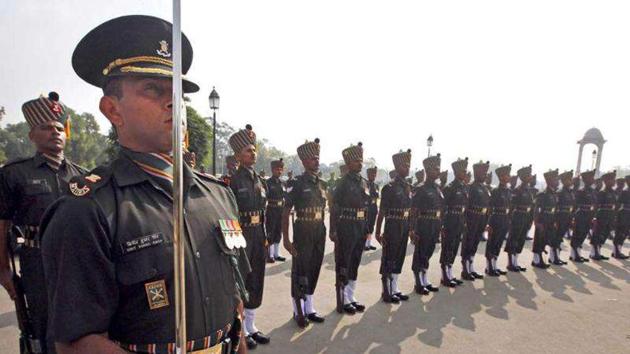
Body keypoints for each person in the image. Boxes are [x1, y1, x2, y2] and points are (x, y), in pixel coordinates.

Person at [39, 15, 247, 354]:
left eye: (177, 93)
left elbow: (234, 297)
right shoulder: (87, 210)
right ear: (112, 110)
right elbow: (77, 341)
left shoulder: (218, 195)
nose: (172, 102)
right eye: (153, 89)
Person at [0, 91, 86, 354]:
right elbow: (1, 226)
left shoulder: (81, 175)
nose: (55, 132)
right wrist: (3, 270)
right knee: (44, 326)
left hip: (78, 261)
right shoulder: (15, 173)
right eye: (46, 127)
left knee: (81, 323)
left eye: (59, 128)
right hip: (37, 261)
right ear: (31, 136)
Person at [229, 124, 271, 349]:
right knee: (242, 280)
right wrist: (233, 243)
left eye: (254, 149)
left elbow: (262, 212)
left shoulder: (258, 180)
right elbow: (228, 214)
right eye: (248, 150)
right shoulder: (233, 181)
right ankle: (242, 329)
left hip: (257, 234)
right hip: (241, 236)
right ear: (238, 155)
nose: (253, 153)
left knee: (256, 278)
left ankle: (252, 326)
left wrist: (265, 236)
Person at [282, 138, 327, 327]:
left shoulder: (322, 183)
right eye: (312, 159)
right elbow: (285, 211)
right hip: (303, 230)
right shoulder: (297, 183)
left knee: (314, 268)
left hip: (319, 230)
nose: (316, 161)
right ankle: (297, 309)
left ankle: (309, 306)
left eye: (318, 158)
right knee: (300, 269)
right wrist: (286, 239)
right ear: (304, 162)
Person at [329, 142, 369, 314]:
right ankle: (343, 298)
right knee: (344, 262)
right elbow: (333, 206)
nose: (359, 163)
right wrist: (333, 229)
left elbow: (366, 206)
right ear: (348, 163)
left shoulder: (364, 182)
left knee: (355, 261)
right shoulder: (342, 182)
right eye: (356, 161)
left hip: (360, 225)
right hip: (346, 224)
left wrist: (367, 228)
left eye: (361, 160)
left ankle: (351, 296)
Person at [374, 150, 412, 303]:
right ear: (397, 167)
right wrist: (377, 231)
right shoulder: (389, 187)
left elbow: (410, 211)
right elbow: (382, 212)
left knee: (400, 256)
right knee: (389, 257)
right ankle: (386, 290)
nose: (408, 168)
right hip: (392, 225)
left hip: (404, 225)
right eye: (404, 165)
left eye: (409, 165)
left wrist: (410, 228)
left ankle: (395, 287)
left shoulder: (408, 187)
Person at [410, 154, 443, 294]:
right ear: (428, 171)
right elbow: (413, 210)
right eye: (435, 169)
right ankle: (418, 281)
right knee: (420, 252)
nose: (438, 171)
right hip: (423, 223)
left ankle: (424, 277)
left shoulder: (437, 187)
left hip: (434, 224)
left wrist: (440, 226)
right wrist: (412, 229)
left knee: (428, 251)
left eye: (438, 168)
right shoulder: (421, 188)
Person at [440, 157, 469, 287]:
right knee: (447, 247)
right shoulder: (449, 188)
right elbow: (443, 208)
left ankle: (450, 272)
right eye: (463, 171)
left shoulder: (464, 187)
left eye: (466, 171)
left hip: (459, 220)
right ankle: (444, 275)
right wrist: (442, 226)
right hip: (450, 220)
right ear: (456, 172)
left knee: (455, 247)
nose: (465, 173)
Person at [461, 160, 491, 281]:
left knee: (475, 244)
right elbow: (465, 205)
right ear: (476, 173)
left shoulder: (485, 188)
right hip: (472, 218)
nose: (484, 175)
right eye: (482, 173)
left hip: (482, 219)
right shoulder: (470, 188)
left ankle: (471, 267)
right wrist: (465, 221)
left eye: (485, 173)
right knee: (468, 243)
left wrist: (486, 221)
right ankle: (465, 269)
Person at [505, 165, 535, 272]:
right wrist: (509, 220)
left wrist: (531, 219)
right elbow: (511, 206)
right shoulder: (518, 190)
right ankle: (510, 263)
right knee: (514, 239)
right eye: (529, 175)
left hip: (526, 217)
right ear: (524, 177)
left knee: (521, 239)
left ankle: (515, 261)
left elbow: (531, 206)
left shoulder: (528, 190)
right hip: (518, 216)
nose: (531, 177)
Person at [485, 164, 512, 276]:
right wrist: (488, 224)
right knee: (492, 242)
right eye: (507, 175)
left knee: (499, 242)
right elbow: (489, 208)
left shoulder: (508, 191)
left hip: (504, 219)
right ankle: (489, 266)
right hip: (496, 219)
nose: (509, 177)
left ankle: (495, 264)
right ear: (501, 177)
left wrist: (509, 221)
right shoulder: (496, 191)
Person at [531, 169, 560, 269]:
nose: (558, 181)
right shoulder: (543, 194)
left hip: (550, 219)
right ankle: (536, 260)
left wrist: (555, 220)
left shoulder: (554, 194)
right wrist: (537, 222)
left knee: (545, 239)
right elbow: (536, 209)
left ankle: (540, 258)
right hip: (543, 219)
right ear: (549, 181)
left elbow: (555, 209)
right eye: (555, 179)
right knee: (539, 239)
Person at [570, 169, 597, 262]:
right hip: (581, 214)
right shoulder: (581, 191)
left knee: (584, 234)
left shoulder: (593, 191)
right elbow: (574, 204)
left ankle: (578, 253)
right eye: (591, 177)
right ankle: (573, 254)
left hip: (589, 215)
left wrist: (593, 216)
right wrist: (572, 217)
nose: (593, 179)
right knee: (578, 233)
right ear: (586, 179)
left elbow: (594, 204)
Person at [590, 171, 617, 260]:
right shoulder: (602, 192)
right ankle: (593, 253)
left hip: (610, 215)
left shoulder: (613, 192)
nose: (614, 181)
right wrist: (594, 217)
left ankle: (598, 251)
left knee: (605, 233)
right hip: (602, 215)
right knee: (598, 233)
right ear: (606, 181)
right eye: (612, 179)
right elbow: (596, 205)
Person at [265, 159, 286, 263]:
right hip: (271, 209)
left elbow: (285, 196)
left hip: (280, 210)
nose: (279, 171)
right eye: (277, 169)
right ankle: (270, 254)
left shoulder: (283, 183)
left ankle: (277, 253)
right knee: (271, 231)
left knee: (279, 231)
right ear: (272, 170)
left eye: (281, 169)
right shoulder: (267, 183)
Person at [553, 170, 575, 264]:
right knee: (557, 237)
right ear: (563, 181)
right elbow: (556, 207)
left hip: (567, 217)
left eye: (571, 179)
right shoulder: (560, 192)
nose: (570, 181)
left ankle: (557, 256)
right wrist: (555, 220)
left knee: (560, 237)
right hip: (560, 217)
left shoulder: (570, 192)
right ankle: (554, 257)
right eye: (568, 180)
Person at [612, 175, 629, 259]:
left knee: (624, 233)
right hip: (623, 214)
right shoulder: (625, 192)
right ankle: (616, 252)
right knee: (620, 233)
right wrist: (615, 216)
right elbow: (618, 204)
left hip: (628, 214)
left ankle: (618, 251)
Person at [365, 166, 379, 251]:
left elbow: (376, 198)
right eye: (371, 174)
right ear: (368, 175)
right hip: (366, 209)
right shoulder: (364, 184)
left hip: (373, 209)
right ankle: (364, 244)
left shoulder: (376, 186)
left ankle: (368, 243)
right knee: (365, 227)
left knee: (371, 227)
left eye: (374, 174)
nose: (373, 175)